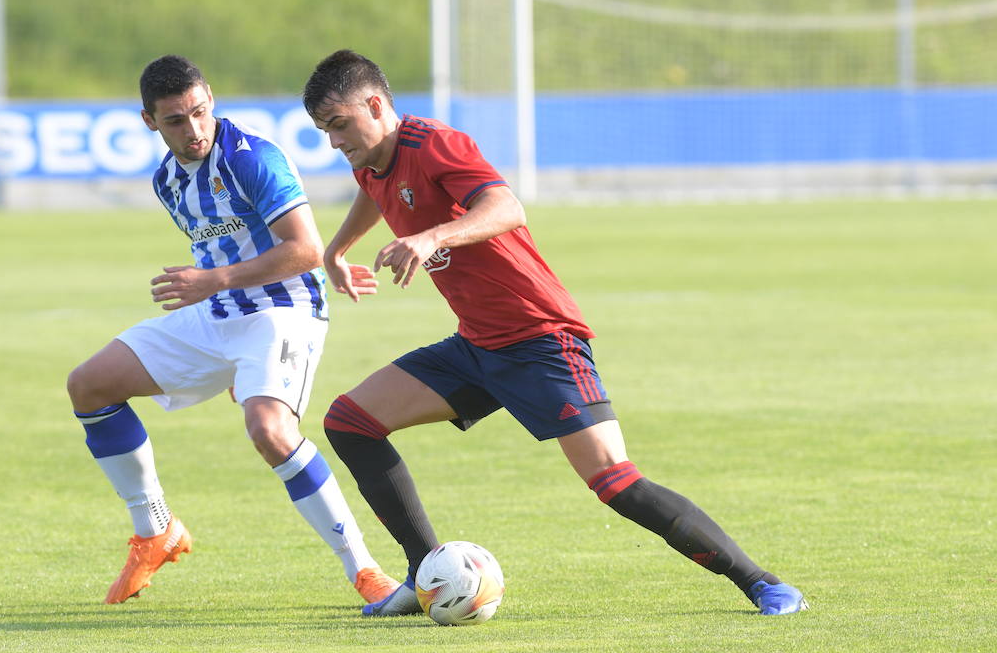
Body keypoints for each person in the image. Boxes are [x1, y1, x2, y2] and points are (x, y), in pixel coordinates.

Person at [301, 49, 807, 617]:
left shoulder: (436, 143)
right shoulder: (370, 159)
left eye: (339, 124)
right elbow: (375, 190)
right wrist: (336, 250)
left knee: (615, 481)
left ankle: (760, 582)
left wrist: (432, 236)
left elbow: (505, 207)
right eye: (324, 131)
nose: (334, 141)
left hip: (542, 339)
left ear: (375, 105)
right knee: (350, 422)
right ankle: (425, 575)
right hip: (478, 345)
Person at [65, 54, 397, 606]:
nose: (193, 129)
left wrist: (214, 283)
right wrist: (222, 333)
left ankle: (365, 571)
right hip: (218, 310)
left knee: (269, 430)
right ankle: (155, 530)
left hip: (283, 308)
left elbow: (305, 249)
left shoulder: (253, 159)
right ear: (150, 121)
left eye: (199, 112)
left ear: (211, 99)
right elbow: (219, 252)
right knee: (89, 385)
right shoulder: (167, 179)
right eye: (175, 120)